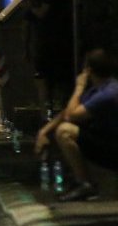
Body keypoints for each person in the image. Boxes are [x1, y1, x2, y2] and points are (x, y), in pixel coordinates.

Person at [35, 49, 118, 202]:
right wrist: (44, 132)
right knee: (60, 128)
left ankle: (85, 184)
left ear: (88, 71)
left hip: (113, 148)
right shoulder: (99, 89)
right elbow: (66, 112)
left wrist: (79, 87)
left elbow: (71, 115)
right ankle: (78, 179)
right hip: (107, 141)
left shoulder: (109, 93)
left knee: (64, 132)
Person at [30, 0, 74, 111]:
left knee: (44, 78)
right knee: (61, 79)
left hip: (51, 39)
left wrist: (30, 9)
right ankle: (59, 108)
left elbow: (42, 12)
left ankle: (47, 112)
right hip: (64, 37)